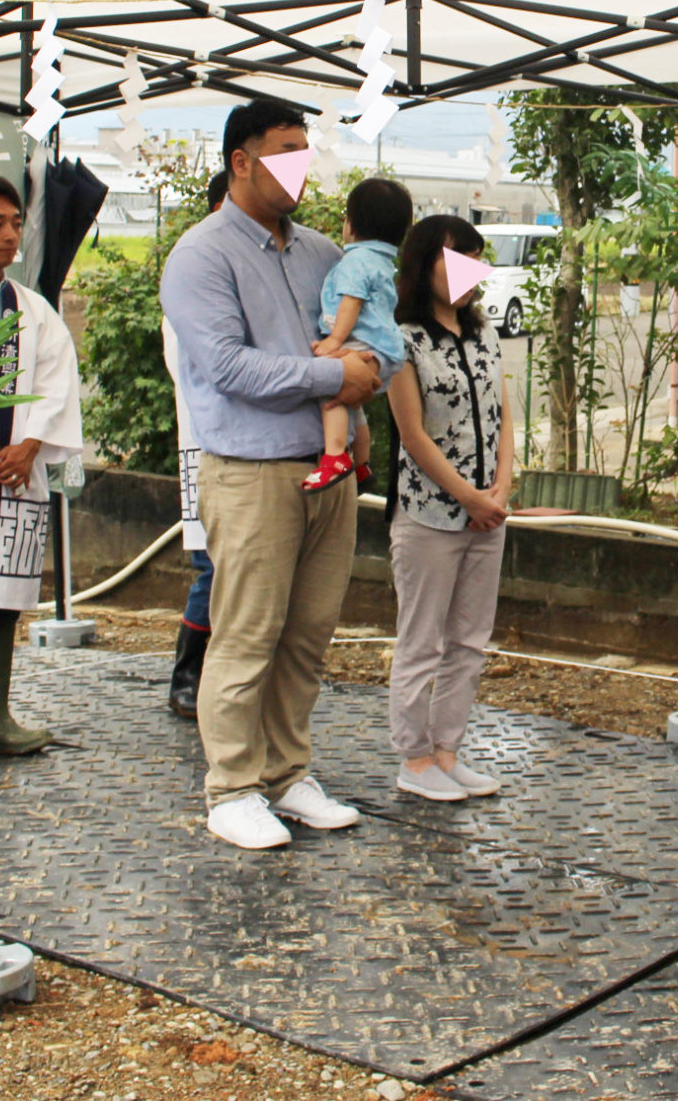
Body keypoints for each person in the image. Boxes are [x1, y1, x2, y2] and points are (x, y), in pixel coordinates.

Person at [161, 99, 384, 851]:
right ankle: (231, 785)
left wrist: (367, 377)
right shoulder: (201, 255)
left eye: (305, 150)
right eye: (285, 150)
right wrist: (336, 382)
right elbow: (226, 367)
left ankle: (288, 772)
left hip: (329, 470)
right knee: (249, 631)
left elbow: (364, 340)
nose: (300, 166)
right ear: (242, 162)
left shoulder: (323, 253)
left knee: (308, 631)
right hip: (253, 471)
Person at [0, 172, 85, 768]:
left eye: (14, 223)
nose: (9, 236)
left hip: (16, 472)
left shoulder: (32, 309)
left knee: (2, 594)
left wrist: (28, 446)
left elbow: (58, 383)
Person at [383, 214, 515, 802]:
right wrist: (469, 499)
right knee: (422, 640)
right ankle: (413, 759)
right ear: (423, 264)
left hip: (489, 513)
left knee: (469, 639)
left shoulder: (484, 332)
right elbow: (413, 436)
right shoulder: (401, 339)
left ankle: (446, 751)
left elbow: (503, 414)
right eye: (452, 259)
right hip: (429, 516)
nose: (465, 274)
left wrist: (500, 492)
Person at [162, 171, 226, 722]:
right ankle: (187, 676)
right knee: (213, 566)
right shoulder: (194, 271)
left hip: (255, 450)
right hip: (207, 443)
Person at [304, 177, 414, 493]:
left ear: (351, 224)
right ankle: (362, 465)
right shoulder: (381, 260)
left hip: (362, 343)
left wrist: (334, 341)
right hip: (386, 348)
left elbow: (352, 302)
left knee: (335, 390)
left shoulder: (355, 260)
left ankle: (336, 456)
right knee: (354, 402)